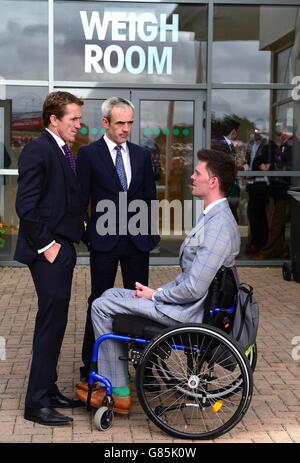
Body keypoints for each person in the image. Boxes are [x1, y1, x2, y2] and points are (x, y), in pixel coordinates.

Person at [75, 148, 240, 414]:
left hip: (185, 312)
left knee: (101, 306)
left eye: (197, 172)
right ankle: (118, 383)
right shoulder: (213, 217)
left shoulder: (219, 226)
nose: (192, 177)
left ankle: (117, 391)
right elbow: (191, 279)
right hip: (183, 303)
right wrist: (157, 290)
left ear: (213, 182)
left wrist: (156, 296)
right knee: (106, 296)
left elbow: (194, 287)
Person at [14, 91, 85, 426]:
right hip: (48, 253)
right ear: (54, 119)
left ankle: (49, 388)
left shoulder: (62, 150)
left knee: (56, 324)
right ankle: (36, 402)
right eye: (73, 118)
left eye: (79, 118)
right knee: (49, 325)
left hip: (62, 248)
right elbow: (25, 207)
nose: (78, 124)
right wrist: (50, 247)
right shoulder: (37, 149)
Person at [77, 97, 160, 381]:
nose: (126, 129)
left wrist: (150, 235)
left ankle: (145, 369)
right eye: (120, 123)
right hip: (104, 243)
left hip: (137, 243)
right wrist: (88, 235)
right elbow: (80, 200)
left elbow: (150, 197)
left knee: (140, 305)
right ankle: (92, 364)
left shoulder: (141, 155)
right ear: (105, 123)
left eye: (130, 123)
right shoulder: (88, 155)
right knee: (98, 301)